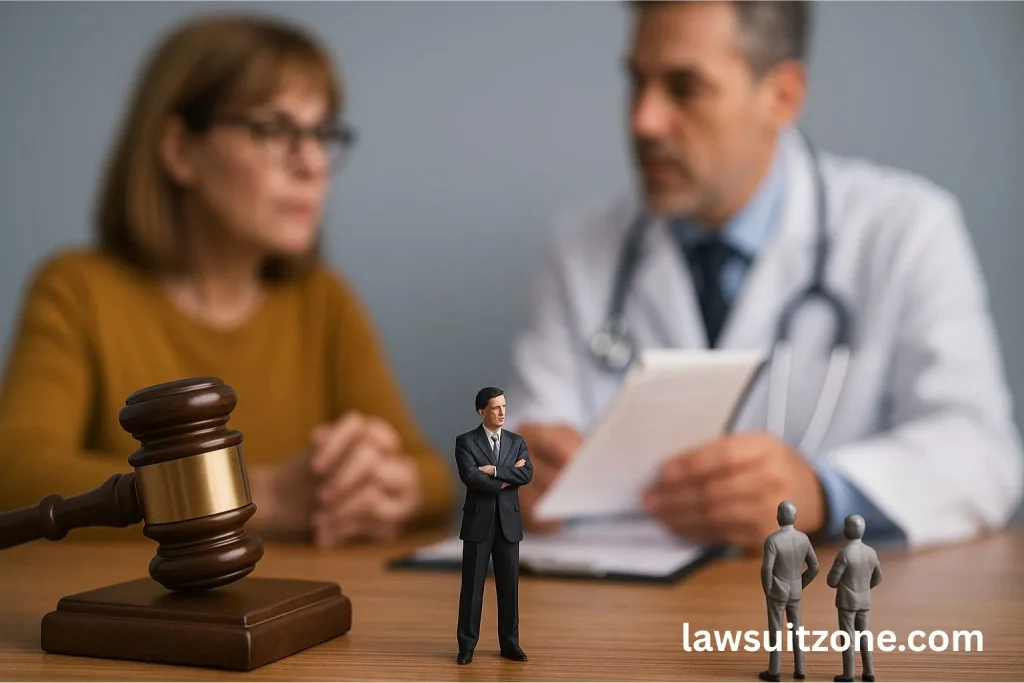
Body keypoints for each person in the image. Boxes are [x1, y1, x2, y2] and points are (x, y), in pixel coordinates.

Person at [505, 0, 1023, 550]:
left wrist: (820, 491)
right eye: (637, 82)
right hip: (619, 597)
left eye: (684, 87)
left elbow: (981, 455)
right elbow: (523, 437)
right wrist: (519, 474)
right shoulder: (580, 251)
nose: (643, 121)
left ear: (782, 96)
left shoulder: (905, 230)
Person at [0, 14, 453, 545]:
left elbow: (431, 477)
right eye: (275, 130)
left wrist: (386, 487)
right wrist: (257, 496)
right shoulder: (77, 290)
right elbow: (15, 477)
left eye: (322, 133)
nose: (312, 163)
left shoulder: (324, 302)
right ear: (179, 150)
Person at [454, 387, 532, 665]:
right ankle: (467, 646)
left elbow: (527, 473)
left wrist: (494, 471)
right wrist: (508, 479)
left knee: (509, 588)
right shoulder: (466, 441)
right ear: (481, 411)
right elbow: (470, 477)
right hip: (479, 522)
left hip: (508, 524)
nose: (502, 412)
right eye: (496, 407)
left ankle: (510, 644)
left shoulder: (516, 441)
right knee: (472, 588)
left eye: (504, 407)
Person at [760, 501, 818, 683]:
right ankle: (800, 669)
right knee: (797, 630)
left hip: (777, 590)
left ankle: (774, 670)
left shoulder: (773, 540)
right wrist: (800, 584)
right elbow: (814, 567)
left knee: (776, 630)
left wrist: (768, 589)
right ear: (794, 517)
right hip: (795, 590)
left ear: (779, 517)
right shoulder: (803, 539)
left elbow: (767, 568)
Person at [827, 514, 882, 683]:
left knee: (848, 638)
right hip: (864, 600)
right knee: (864, 635)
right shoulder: (871, 552)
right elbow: (878, 578)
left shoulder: (844, 554)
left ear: (848, 530)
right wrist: (864, 588)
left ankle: (848, 674)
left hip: (847, 602)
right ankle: (868, 672)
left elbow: (832, 581)